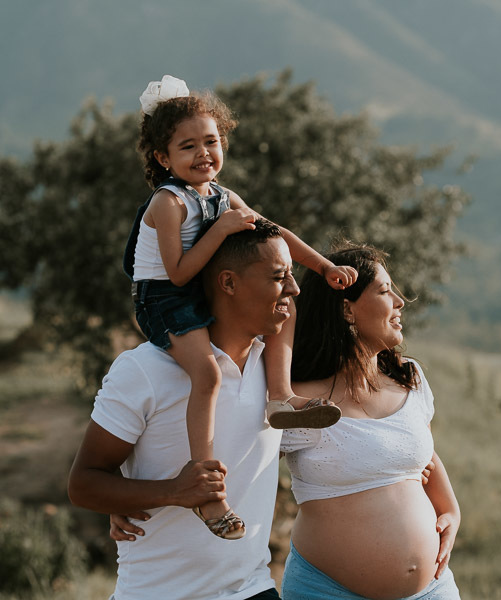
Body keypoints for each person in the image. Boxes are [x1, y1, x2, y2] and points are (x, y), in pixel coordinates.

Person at [125, 75, 354, 539]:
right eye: (187, 147)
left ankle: (279, 396)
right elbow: (179, 273)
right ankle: (206, 491)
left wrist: (323, 265)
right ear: (162, 158)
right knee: (206, 375)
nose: (203, 153)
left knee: (283, 305)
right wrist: (223, 228)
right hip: (165, 300)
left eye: (211, 141)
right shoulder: (168, 203)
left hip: (200, 285)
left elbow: (274, 234)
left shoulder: (222, 195)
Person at [69, 219, 307, 600]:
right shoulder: (144, 370)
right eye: (279, 276)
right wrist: (173, 492)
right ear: (228, 283)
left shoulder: (279, 369)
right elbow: (83, 485)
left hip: (255, 590)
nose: (294, 289)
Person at [279, 243, 462, 600]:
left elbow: (423, 453)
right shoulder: (296, 400)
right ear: (347, 310)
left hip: (432, 590)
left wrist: (451, 510)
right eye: (384, 290)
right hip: (328, 591)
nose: (399, 301)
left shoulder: (410, 378)